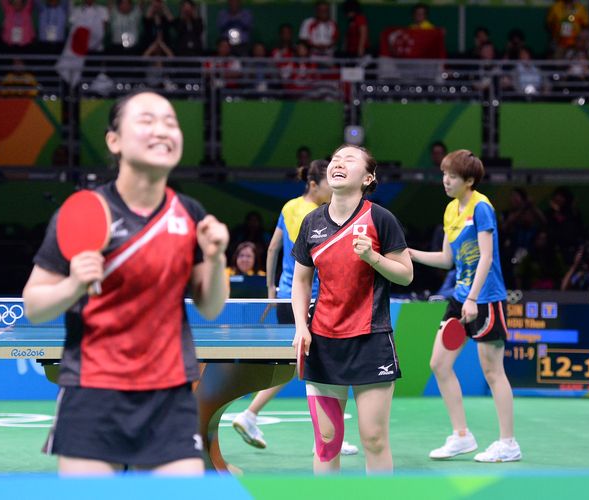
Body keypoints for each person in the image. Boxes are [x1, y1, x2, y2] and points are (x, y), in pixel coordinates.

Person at [22, 90, 230, 475]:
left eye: (171, 122)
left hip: (169, 391)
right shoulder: (85, 211)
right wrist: (73, 286)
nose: (163, 130)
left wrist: (216, 259)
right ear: (114, 141)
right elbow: (34, 305)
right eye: (147, 120)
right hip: (93, 390)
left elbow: (211, 305)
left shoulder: (189, 214)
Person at [292, 145, 413, 474]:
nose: (338, 163)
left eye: (349, 159)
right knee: (327, 441)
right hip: (323, 342)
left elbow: (405, 274)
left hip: (370, 340)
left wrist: (373, 258)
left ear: (368, 177)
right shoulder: (311, 223)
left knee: (374, 438)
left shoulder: (380, 219)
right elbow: (301, 281)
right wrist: (301, 327)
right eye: (334, 159)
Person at [232, 160, 357, 456]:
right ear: (314, 184)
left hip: (287, 298)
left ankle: (250, 415)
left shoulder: (288, 207)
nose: (333, 186)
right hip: (312, 300)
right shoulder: (320, 215)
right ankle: (327, 436)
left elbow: (273, 248)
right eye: (329, 181)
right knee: (324, 372)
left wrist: (272, 290)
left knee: (294, 366)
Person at [408, 150, 521, 463]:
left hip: (485, 298)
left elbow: (486, 256)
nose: (446, 180)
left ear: (469, 181)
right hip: (460, 297)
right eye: (444, 174)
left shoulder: (481, 207)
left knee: (493, 371)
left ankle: (508, 443)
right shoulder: (449, 210)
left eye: (453, 176)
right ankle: (461, 435)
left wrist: (473, 298)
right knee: (439, 364)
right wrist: (411, 254)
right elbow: (448, 259)